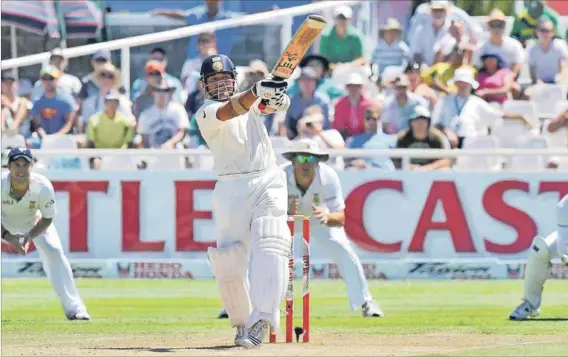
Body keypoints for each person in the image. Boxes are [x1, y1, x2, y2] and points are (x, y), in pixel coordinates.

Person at [195, 54, 292, 348]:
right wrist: (257, 92)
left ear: (234, 78)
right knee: (229, 260)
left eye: (225, 79)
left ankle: (262, 318)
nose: (222, 85)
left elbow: (270, 105)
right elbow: (231, 110)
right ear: (204, 85)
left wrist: (274, 94)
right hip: (230, 188)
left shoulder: (251, 102)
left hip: (268, 179)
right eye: (214, 81)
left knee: (272, 239)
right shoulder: (206, 112)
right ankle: (240, 322)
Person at [282, 138, 384, 317]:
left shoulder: (328, 177)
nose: (306, 164)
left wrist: (328, 217)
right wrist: (285, 212)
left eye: (311, 159)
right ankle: (238, 305)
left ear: (318, 161)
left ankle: (366, 302)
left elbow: (341, 217)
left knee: (344, 249)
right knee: (261, 252)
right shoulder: (279, 176)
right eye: (301, 159)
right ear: (292, 160)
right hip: (286, 221)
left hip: (319, 220)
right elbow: (266, 213)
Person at [1, 147, 90, 320]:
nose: (21, 170)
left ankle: (75, 309)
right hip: (4, 223)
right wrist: (9, 237)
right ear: (9, 166)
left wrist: (29, 236)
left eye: (24, 165)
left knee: (54, 251)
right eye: (16, 165)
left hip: (34, 223)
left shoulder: (42, 186)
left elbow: (48, 219)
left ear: (31, 166)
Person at [510, 194, 568, 320]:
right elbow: (563, 239)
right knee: (539, 248)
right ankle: (530, 304)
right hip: (564, 241)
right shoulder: (564, 205)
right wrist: (565, 254)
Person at [396, 105, 451, 171]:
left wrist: (428, 167)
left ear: (428, 122)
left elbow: (446, 160)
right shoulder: (402, 138)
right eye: (416, 120)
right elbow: (395, 160)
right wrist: (409, 166)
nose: (420, 123)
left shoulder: (438, 138)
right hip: (408, 174)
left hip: (433, 173)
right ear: (410, 122)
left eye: (423, 120)